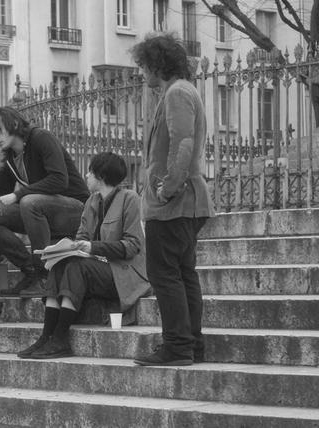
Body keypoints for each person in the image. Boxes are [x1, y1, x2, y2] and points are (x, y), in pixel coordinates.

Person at [130, 33, 215, 367]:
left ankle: (178, 346)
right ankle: (191, 345)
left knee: (165, 275)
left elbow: (183, 143)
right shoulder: (179, 91)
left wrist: (168, 189)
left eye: (142, 66)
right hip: (185, 202)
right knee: (182, 273)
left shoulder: (177, 92)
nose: (141, 73)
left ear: (156, 64)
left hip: (175, 204)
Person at [17, 152, 150, 359]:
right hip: (97, 268)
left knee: (77, 267)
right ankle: (46, 337)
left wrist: (92, 247)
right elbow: (81, 236)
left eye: (90, 172)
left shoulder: (130, 199)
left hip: (124, 274)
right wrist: (69, 249)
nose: (86, 176)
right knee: (60, 264)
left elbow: (132, 246)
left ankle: (60, 339)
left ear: (101, 177)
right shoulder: (91, 202)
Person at [0, 107, 90, 297]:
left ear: (15, 125)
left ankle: (44, 276)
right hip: (41, 210)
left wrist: (18, 195)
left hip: (75, 209)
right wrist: (2, 166)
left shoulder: (41, 138)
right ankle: (30, 270)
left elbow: (60, 180)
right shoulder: (9, 155)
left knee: (28, 201)